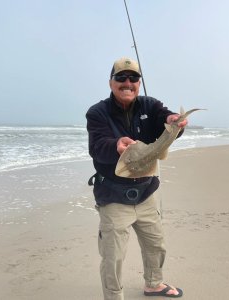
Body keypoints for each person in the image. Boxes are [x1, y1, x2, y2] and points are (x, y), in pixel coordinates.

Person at [86, 57, 187, 299]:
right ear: (111, 82)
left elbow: (166, 118)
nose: (127, 82)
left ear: (139, 84)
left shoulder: (149, 105)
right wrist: (116, 145)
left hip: (147, 192)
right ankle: (113, 296)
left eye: (133, 78)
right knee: (113, 256)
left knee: (156, 245)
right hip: (113, 196)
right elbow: (97, 146)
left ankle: (153, 284)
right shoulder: (97, 112)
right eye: (121, 78)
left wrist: (175, 121)